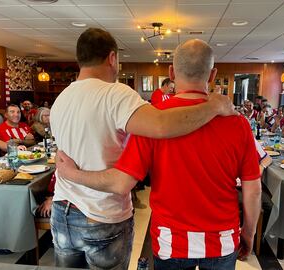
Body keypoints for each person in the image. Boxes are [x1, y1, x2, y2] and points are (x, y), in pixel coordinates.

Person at [55, 39, 261, 270]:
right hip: (222, 238)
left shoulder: (151, 121)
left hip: (170, 239)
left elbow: (123, 180)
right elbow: (253, 190)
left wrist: (70, 173)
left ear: (171, 72)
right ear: (213, 75)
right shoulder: (238, 123)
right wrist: (249, 234)